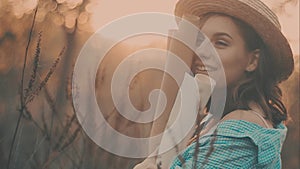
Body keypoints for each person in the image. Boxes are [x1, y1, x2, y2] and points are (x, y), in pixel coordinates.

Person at [134, 0, 294, 168]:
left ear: (253, 61)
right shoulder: (216, 119)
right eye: (199, 41)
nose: (202, 52)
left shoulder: (239, 134)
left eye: (221, 43)